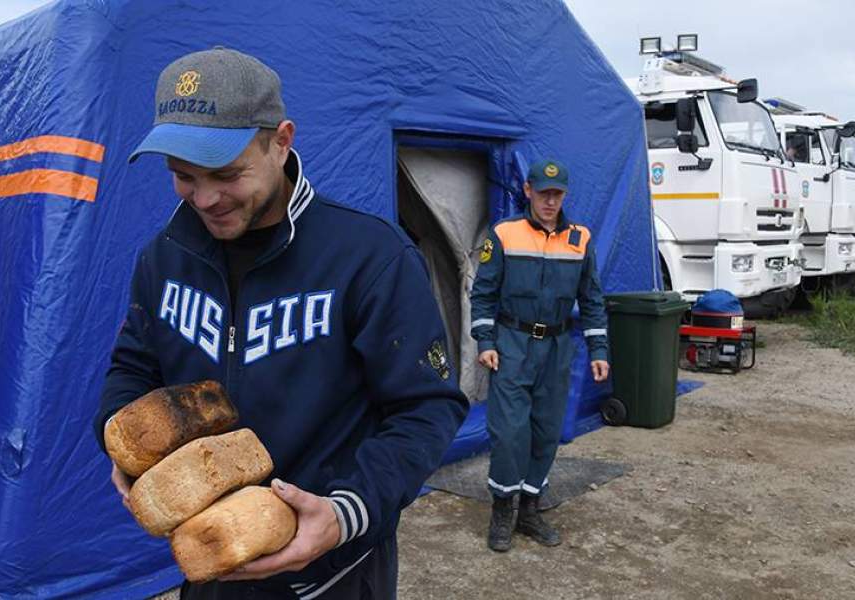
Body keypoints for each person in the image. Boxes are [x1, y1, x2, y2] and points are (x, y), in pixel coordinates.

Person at [93, 48, 468, 599]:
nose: (204, 198)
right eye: (182, 176)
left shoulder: (368, 256)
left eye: (226, 173)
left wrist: (344, 514)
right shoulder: (164, 256)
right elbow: (133, 366)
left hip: (333, 574)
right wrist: (120, 445)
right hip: (213, 559)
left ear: (281, 140)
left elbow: (427, 408)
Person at [469, 158, 610, 552]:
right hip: (512, 345)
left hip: (557, 347)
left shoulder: (579, 238)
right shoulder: (504, 234)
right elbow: (482, 295)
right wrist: (486, 342)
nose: (550, 201)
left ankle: (529, 508)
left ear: (564, 195)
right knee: (510, 431)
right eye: (543, 193)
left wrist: (599, 349)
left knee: (547, 430)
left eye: (557, 194)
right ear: (528, 191)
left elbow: (593, 299)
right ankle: (502, 508)